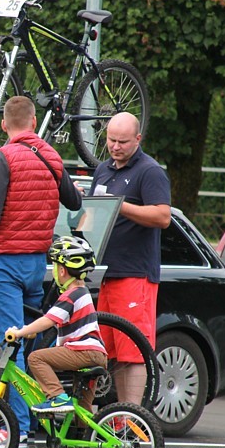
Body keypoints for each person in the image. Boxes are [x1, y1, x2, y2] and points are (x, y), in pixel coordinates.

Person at [0, 96, 82, 448]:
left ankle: (14, 432)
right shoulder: (51, 156)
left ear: (4, 125)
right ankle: (34, 424)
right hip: (37, 264)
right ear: (33, 122)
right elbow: (74, 202)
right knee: (33, 346)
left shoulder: (4, 157)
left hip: (5, 262)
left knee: (11, 345)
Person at [88, 112, 171, 404]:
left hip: (135, 275)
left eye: (123, 141)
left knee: (132, 351)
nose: (115, 146)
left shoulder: (150, 172)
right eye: (111, 139)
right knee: (112, 351)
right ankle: (120, 420)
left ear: (138, 139)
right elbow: (92, 217)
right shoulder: (103, 170)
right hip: (107, 275)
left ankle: (132, 420)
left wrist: (119, 207)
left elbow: (163, 216)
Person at [6, 236, 107, 416]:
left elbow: (48, 320)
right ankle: (84, 441)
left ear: (61, 271)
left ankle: (57, 397)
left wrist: (20, 332)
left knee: (36, 358)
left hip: (82, 352)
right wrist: (30, 332)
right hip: (97, 353)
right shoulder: (82, 292)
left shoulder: (71, 294)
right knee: (82, 409)